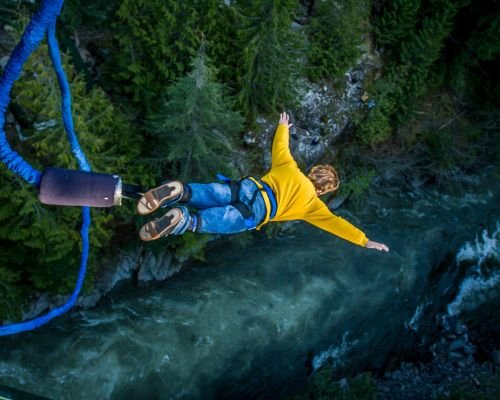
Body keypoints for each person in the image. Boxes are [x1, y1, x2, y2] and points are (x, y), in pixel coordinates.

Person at [137, 112, 389, 252]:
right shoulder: (313, 206)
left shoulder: (289, 167)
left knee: (213, 192)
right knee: (210, 221)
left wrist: (283, 126)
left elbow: (281, 146)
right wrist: (364, 240)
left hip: (249, 187)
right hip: (257, 211)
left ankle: (180, 190)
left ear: (313, 172)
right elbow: (336, 225)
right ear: (323, 191)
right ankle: (183, 220)